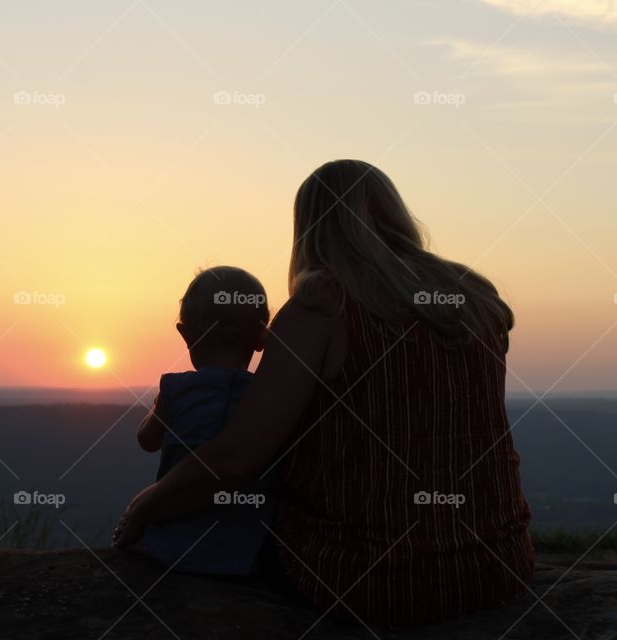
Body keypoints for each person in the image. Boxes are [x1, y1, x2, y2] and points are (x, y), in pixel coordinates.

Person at [114, 159, 535, 629]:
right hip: (498, 565)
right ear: (393, 211)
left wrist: (142, 509)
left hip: (361, 575)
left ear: (310, 226)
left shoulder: (320, 307)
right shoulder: (474, 297)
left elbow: (234, 460)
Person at [132, 265, 276, 575]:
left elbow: (146, 440)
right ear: (261, 338)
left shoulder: (175, 388)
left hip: (173, 541)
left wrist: (161, 404)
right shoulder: (267, 395)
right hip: (247, 547)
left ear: (186, 334)